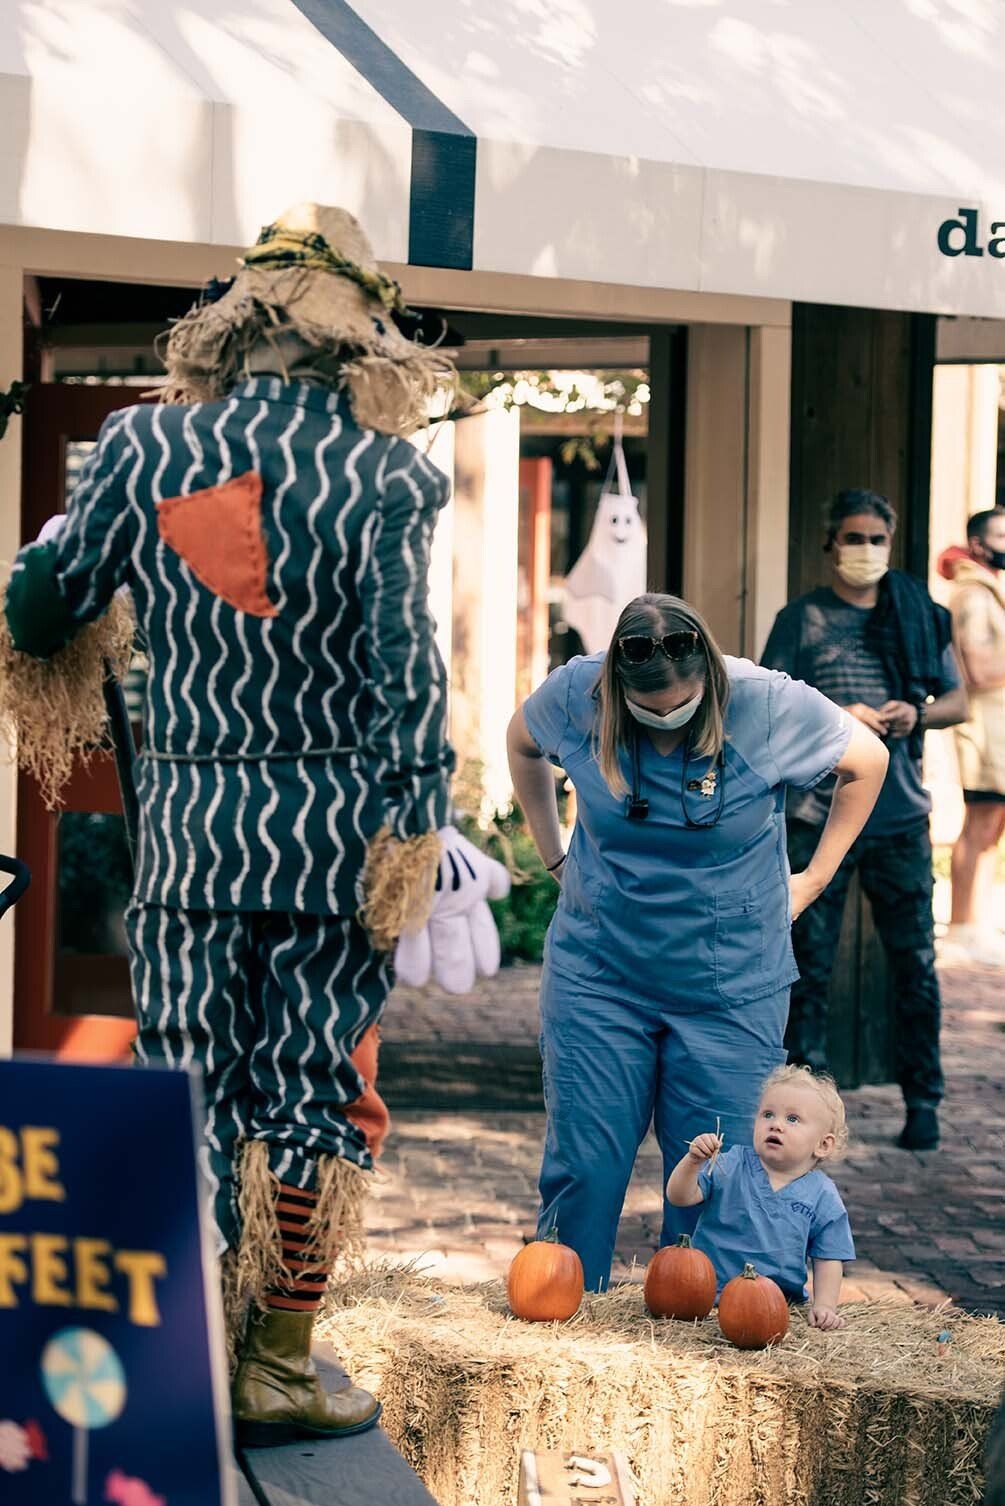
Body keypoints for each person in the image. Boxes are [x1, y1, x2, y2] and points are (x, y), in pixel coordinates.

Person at [1, 202, 509, 1446]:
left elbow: (39, 609)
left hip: (187, 831)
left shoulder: (141, 448)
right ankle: (276, 1361)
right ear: (348, 344)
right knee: (312, 1090)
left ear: (231, 330)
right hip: (336, 833)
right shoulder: (391, 472)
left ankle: (179, 1351)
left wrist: (55, 587)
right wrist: (410, 831)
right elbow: (405, 675)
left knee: (183, 1081)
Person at [507, 593, 887, 1292]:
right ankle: (564, 1306)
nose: (663, 725)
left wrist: (813, 878)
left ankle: (692, 1322)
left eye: (679, 706)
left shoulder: (767, 704)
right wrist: (552, 853)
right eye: (648, 712)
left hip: (728, 984)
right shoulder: (577, 693)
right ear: (616, 691)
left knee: (717, 1172)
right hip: (600, 971)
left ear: (709, 679)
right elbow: (522, 740)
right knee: (586, 1162)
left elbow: (867, 760)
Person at [762, 488, 967, 1153]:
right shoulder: (801, 619)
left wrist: (916, 714)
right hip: (815, 815)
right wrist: (833, 715)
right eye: (852, 538)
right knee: (805, 969)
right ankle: (802, 1113)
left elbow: (956, 698)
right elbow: (765, 704)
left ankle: (923, 1103)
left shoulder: (918, 614)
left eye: (875, 538)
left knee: (914, 965)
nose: (864, 550)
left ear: (890, 541)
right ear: (830, 544)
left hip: (898, 816)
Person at [666, 1064, 854, 1330]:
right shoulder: (730, 1164)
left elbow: (829, 1256)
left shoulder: (822, 1195)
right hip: (705, 1299)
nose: (776, 1124)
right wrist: (693, 1161)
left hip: (775, 1307)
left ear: (823, 1145)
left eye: (792, 1119)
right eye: (767, 1114)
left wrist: (825, 1305)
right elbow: (679, 1197)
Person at [938, 509, 1005, 966]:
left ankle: (974, 923)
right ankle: (961, 927)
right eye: (1000, 534)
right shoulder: (974, 595)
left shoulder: (988, 591)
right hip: (985, 731)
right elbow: (979, 670)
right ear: (978, 544)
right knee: (979, 824)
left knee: (990, 828)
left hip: (998, 730)